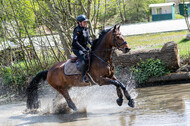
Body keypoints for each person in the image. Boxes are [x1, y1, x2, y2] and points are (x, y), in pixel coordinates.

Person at [72, 15, 92, 83]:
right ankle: (83, 77)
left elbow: (89, 38)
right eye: (84, 22)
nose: (85, 23)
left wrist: (92, 43)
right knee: (84, 60)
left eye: (86, 22)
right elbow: (75, 41)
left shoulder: (86, 29)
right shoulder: (77, 30)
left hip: (85, 48)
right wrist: (82, 49)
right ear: (79, 22)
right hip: (77, 49)